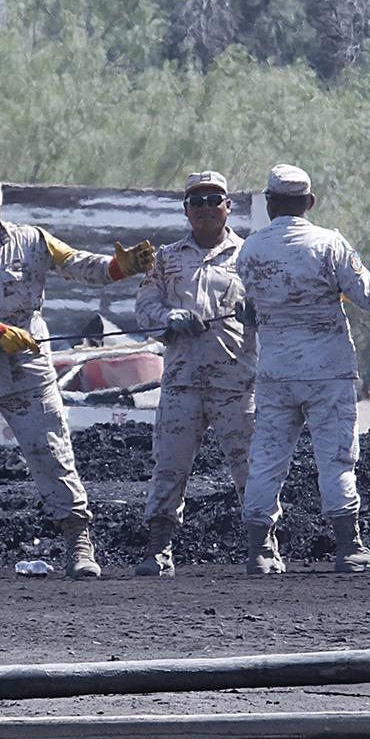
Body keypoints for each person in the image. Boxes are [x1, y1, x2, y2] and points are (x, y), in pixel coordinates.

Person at [0, 172, 156, 581]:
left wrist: (116, 267)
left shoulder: (32, 240)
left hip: (26, 368)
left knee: (52, 452)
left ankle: (79, 544)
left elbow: (75, 264)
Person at [236, 164, 370, 574]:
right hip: (327, 371)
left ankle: (259, 550)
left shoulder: (251, 250)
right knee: (337, 458)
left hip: (275, 371)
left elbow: (249, 311)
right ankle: (349, 546)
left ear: (270, 203)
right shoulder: (330, 244)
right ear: (309, 203)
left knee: (267, 459)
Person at [129, 171, 256, 577]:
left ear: (228, 206)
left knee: (250, 468)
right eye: (196, 202)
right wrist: (170, 318)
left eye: (213, 199)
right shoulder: (166, 259)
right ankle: (158, 549)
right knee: (169, 466)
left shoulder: (250, 255)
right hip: (182, 382)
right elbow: (145, 308)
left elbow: (272, 306)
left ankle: (262, 548)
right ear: (186, 210)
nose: (205, 208)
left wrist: (257, 312)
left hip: (236, 381)